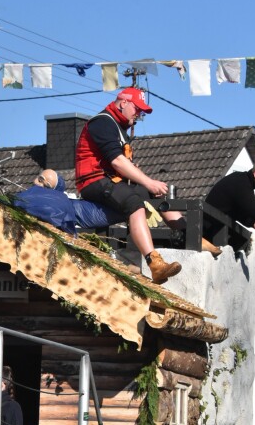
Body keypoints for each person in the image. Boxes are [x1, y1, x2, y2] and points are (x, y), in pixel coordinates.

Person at [75, 87, 184, 284]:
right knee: (134, 202)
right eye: (137, 109)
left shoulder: (118, 127)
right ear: (123, 102)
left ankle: (187, 233)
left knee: (156, 195)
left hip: (111, 181)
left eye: (142, 111)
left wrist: (148, 186)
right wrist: (149, 182)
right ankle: (155, 264)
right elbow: (117, 162)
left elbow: (121, 166)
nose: (140, 114)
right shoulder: (102, 122)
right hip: (93, 182)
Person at [14, 169, 120, 235]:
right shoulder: (21, 196)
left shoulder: (66, 204)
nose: (40, 185)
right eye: (40, 179)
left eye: (47, 186)